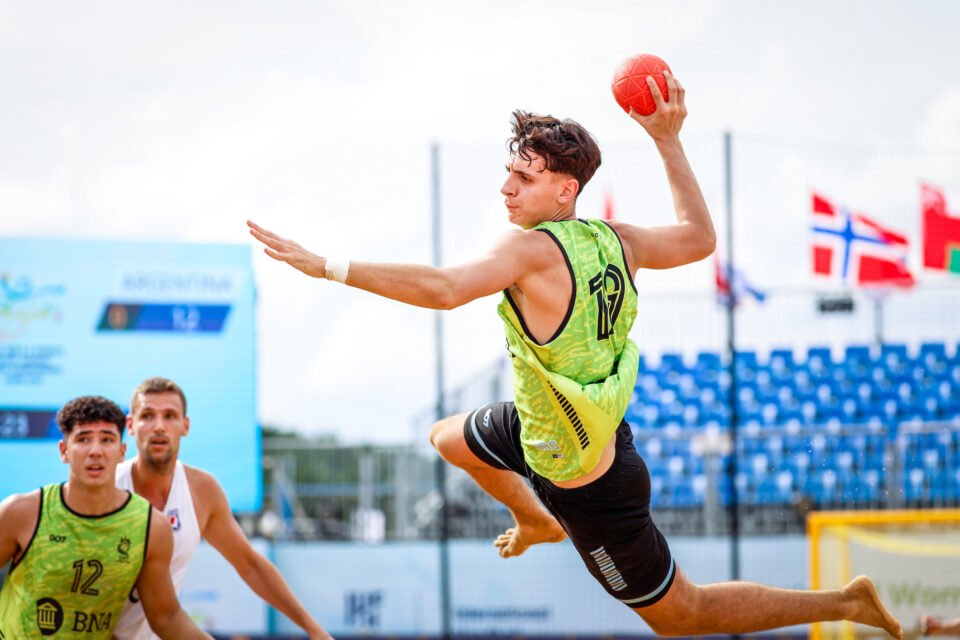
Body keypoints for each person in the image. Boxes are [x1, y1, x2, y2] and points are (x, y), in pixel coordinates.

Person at [247, 71, 902, 639]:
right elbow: (700, 237)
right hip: (549, 431)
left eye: (523, 177)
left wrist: (326, 265)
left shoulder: (529, 252)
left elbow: (444, 289)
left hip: (588, 479)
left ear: (565, 190)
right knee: (448, 438)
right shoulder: (617, 239)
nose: (506, 188)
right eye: (508, 172)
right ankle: (535, 521)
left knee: (681, 614)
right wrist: (667, 141)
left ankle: (845, 601)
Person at [112, 377, 332, 640]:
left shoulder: (201, 490)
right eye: (148, 415)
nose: (159, 426)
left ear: (185, 425)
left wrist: (314, 630)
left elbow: (249, 564)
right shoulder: (107, 486)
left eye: (170, 416)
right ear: (131, 425)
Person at [0, 395, 212, 639]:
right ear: (64, 451)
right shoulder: (22, 513)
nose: (96, 451)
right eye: (83, 439)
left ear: (121, 451)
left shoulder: (150, 526)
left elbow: (166, 618)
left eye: (107, 439)